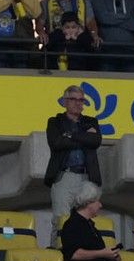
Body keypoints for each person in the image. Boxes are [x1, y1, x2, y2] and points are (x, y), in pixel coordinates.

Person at [45, 85, 104, 222]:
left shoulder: (91, 121)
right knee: (61, 220)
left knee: (87, 219)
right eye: (73, 99)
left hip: (87, 177)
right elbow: (57, 143)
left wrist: (69, 135)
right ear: (65, 102)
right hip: (64, 176)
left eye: (81, 100)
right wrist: (84, 137)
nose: (78, 103)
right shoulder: (55, 122)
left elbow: (95, 141)